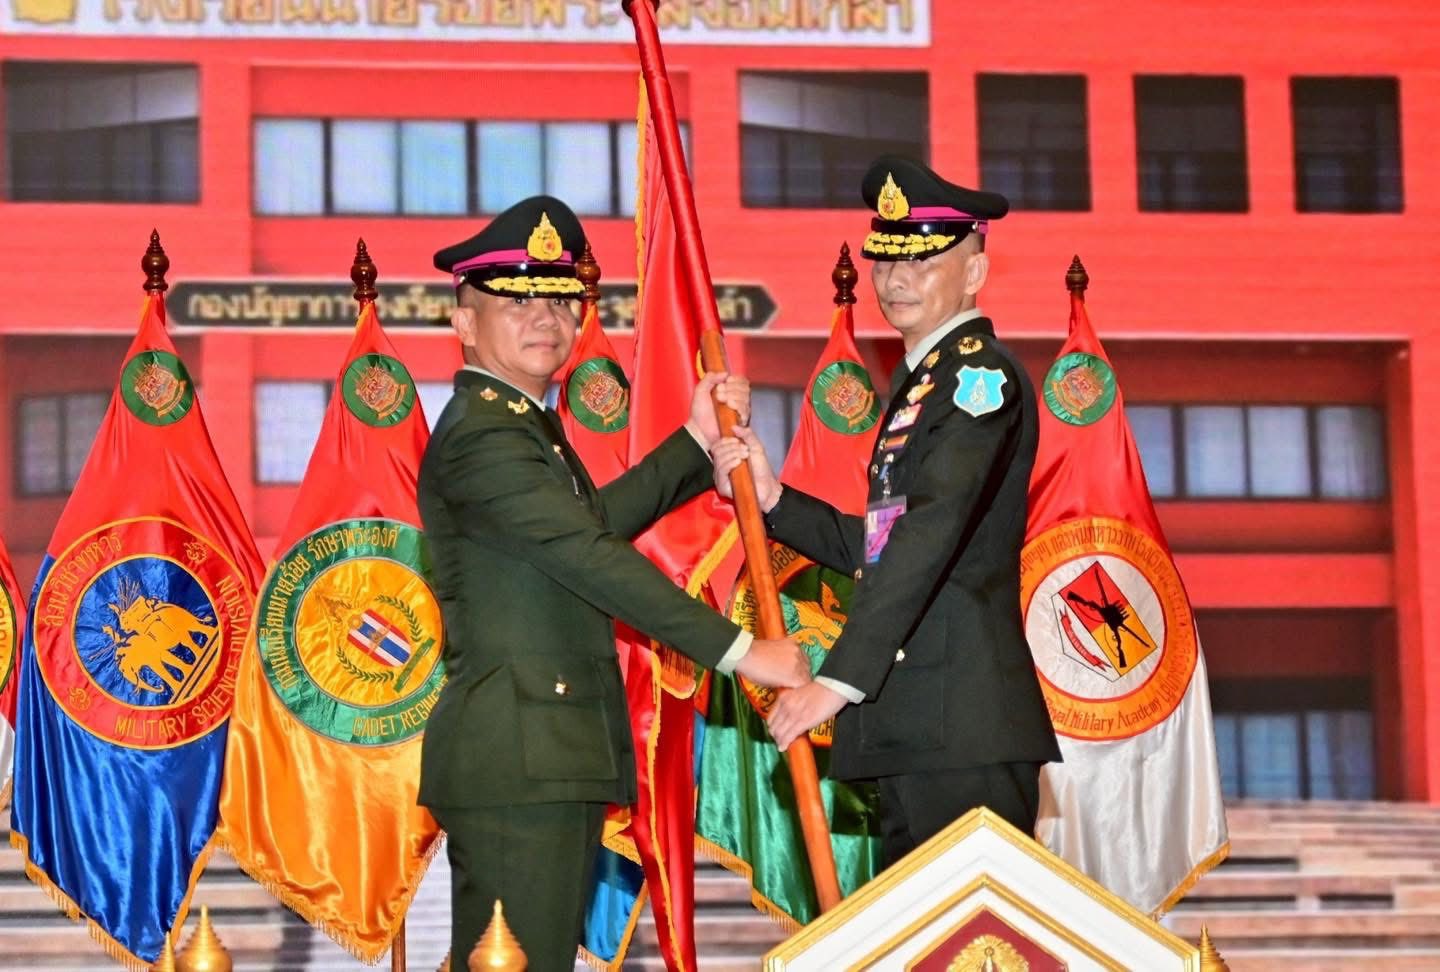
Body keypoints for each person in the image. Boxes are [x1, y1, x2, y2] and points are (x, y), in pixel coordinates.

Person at [417, 195, 810, 970]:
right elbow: (587, 553)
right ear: (463, 322)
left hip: (541, 752)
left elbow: (585, 524)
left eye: (560, 300)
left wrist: (694, 440)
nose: (546, 318)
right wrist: (741, 652)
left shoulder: (518, 423)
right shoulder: (484, 436)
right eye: (517, 302)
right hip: (520, 756)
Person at [713, 157, 1061, 867]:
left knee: (966, 928)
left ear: (973, 273)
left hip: (959, 726)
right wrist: (774, 499)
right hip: (918, 724)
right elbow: (885, 544)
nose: (897, 278)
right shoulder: (924, 382)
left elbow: (928, 533)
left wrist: (835, 682)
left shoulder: (977, 378)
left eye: (923, 260)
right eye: (887, 260)